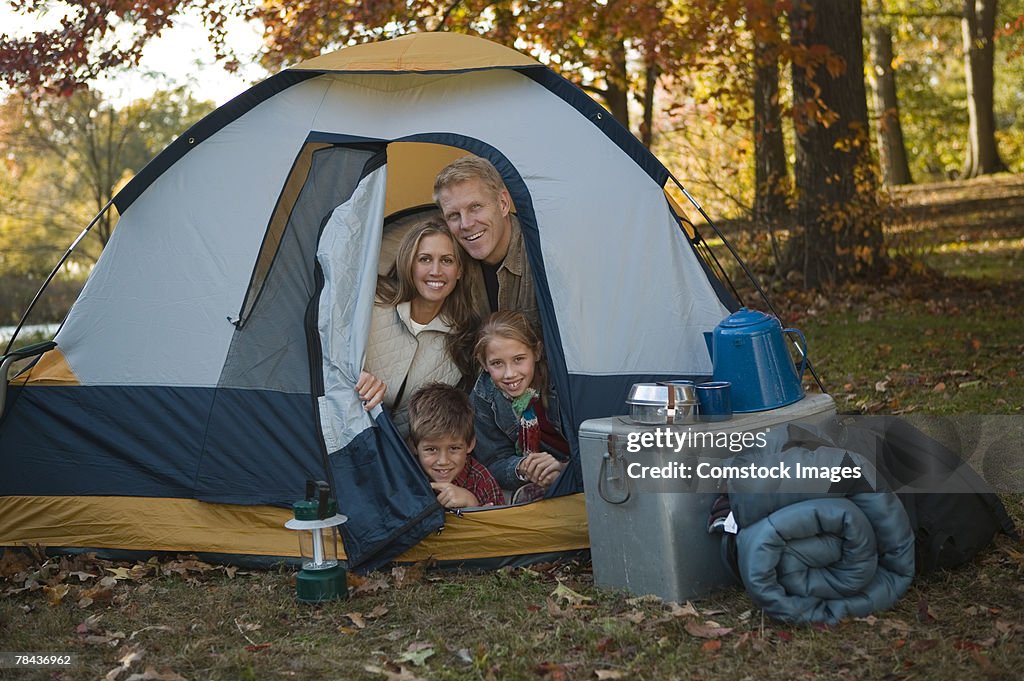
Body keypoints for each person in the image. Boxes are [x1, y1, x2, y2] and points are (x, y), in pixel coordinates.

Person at [356, 220, 478, 438]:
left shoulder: (463, 339)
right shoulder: (371, 302)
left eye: (447, 261)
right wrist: (355, 373)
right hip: (343, 433)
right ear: (408, 263)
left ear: (459, 271)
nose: (436, 271)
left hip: (401, 457)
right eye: (425, 259)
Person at [470, 310, 569, 500]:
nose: (509, 374)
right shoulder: (484, 396)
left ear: (537, 352)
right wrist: (522, 468)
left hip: (571, 467)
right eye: (497, 363)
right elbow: (493, 461)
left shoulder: (562, 382)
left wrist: (563, 469)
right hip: (529, 477)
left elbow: (592, 447)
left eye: (518, 360)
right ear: (484, 363)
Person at [433, 156, 539, 328]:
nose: (466, 224)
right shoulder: (448, 261)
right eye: (454, 215)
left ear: (503, 203)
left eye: (475, 207)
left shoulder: (543, 256)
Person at [407, 382, 504, 509]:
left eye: (454, 448)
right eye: (431, 449)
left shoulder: (481, 480)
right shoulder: (406, 477)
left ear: (470, 444)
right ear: (413, 446)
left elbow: (500, 525)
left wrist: (472, 503)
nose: (443, 461)